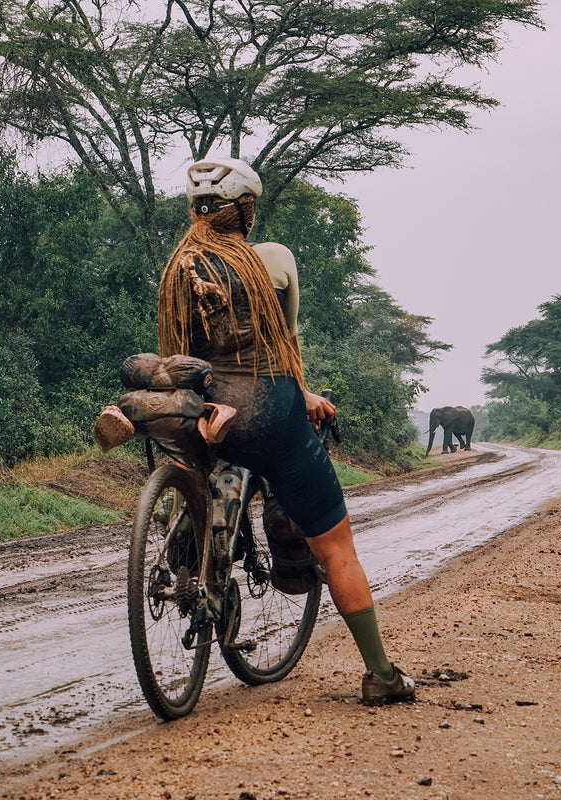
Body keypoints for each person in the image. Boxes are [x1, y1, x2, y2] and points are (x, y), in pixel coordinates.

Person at [158, 156, 415, 706]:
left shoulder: (179, 269)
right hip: (271, 413)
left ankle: (187, 556)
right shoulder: (271, 260)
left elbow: (178, 354)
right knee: (337, 547)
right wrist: (304, 395)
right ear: (245, 211)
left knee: (199, 465)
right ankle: (381, 675)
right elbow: (284, 347)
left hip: (207, 415)